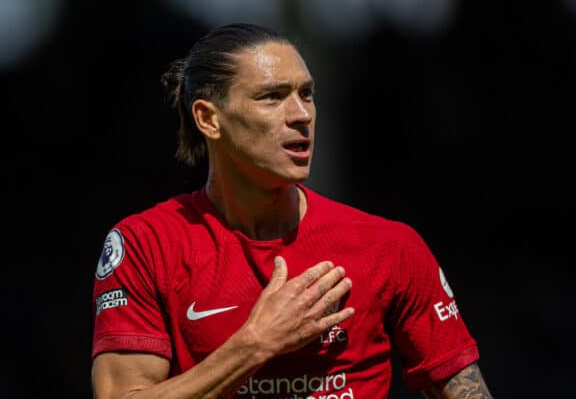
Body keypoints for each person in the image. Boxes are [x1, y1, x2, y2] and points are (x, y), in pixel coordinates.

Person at [90, 23, 493, 399]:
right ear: (208, 119)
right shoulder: (146, 245)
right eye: (272, 96)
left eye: (307, 93)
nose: (301, 115)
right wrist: (256, 344)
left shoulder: (390, 246)